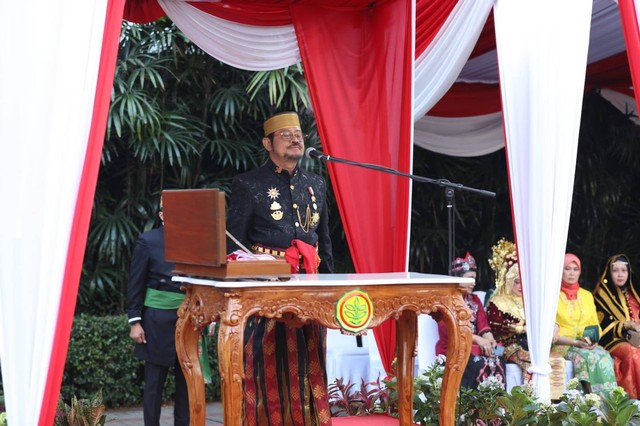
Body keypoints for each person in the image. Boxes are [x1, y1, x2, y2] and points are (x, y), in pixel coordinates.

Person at [226, 111, 334, 425]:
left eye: (298, 134)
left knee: (310, 356)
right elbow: (233, 242)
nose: (296, 139)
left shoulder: (316, 183)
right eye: (285, 135)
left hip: (310, 285)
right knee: (264, 361)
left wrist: (333, 290)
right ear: (267, 143)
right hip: (265, 287)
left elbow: (324, 242)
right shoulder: (248, 184)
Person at [125, 201, 189, 426]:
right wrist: (135, 321)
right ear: (162, 214)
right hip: (156, 319)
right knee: (154, 384)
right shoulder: (148, 240)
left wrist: (206, 317)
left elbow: (203, 282)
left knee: (188, 384)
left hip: (189, 318)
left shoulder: (194, 241)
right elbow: (135, 282)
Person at [485, 239, 565, 399]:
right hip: (507, 345)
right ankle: (530, 401)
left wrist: (553, 326)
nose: (521, 286)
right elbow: (497, 325)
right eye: (516, 282)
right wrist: (522, 328)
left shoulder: (530, 300)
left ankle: (553, 401)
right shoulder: (497, 301)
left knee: (557, 359)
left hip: (533, 344)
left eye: (523, 282)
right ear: (508, 281)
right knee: (531, 361)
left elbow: (545, 317)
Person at [436, 251, 505, 390]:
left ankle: (497, 406)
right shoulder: (445, 301)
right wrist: (479, 340)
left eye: (474, 279)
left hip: (478, 346)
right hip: (454, 348)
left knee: (500, 352)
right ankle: (472, 407)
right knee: (479, 362)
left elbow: (483, 325)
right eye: (470, 278)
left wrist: (490, 339)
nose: (473, 283)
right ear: (457, 279)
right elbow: (450, 331)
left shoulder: (474, 300)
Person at [553, 253, 617, 395]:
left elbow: (595, 324)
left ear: (580, 272)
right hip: (563, 344)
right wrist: (576, 343)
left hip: (586, 343)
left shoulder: (586, 295)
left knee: (604, 356)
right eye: (567, 269)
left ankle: (611, 402)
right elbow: (551, 332)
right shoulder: (552, 295)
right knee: (587, 357)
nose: (571, 273)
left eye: (575, 270)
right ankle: (593, 399)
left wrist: (592, 340)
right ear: (560, 270)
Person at [593, 254, 640, 398]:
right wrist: (627, 325)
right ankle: (633, 401)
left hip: (636, 338)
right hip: (613, 339)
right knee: (633, 354)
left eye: (624, 270)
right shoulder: (601, 295)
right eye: (615, 270)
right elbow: (602, 324)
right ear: (609, 272)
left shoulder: (634, 293)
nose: (620, 274)